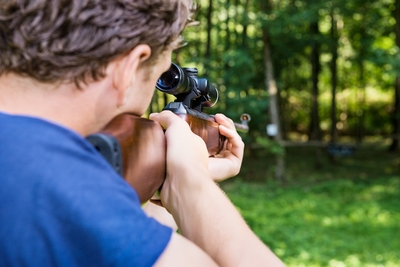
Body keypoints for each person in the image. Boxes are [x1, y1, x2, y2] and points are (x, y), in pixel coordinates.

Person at [0, 0, 285, 266]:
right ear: (129, 68)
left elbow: (134, 234)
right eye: (157, 74)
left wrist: (167, 176)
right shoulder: (61, 185)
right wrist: (193, 185)